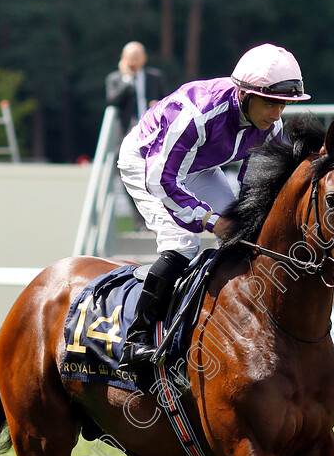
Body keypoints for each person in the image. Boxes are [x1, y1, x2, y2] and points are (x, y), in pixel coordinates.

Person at [117, 42, 310, 368]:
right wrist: (209, 220)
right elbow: (162, 179)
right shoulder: (196, 114)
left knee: (247, 235)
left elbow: (254, 188)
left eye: (284, 106)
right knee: (183, 245)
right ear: (245, 95)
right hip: (148, 164)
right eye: (271, 104)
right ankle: (135, 340)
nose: (277, 115)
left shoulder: (271, 128)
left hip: (198, 167)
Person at [105, 42, 167, 134]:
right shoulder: (114, 78)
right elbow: (112, 101)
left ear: (144, 58)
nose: (133, 62)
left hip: (151, 127)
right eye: (130, 58)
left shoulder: (155, 77)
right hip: (126, 130)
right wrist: (127, 78)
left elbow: (165, 100)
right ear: (123, 58)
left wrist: (157, 104)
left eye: (136, 58)